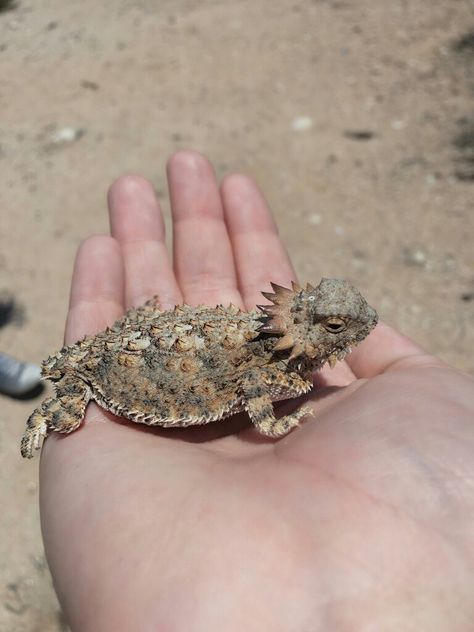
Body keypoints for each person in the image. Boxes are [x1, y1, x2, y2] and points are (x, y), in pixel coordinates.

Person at [39, 151, 474, 631]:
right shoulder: (274, 370)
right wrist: (276, 423)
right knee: (70, 413)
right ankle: (72, 390)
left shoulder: (288, 361)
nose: (362, 326)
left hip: (149, 339)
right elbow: (252, 389)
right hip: (125, 370)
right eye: (334, 324)